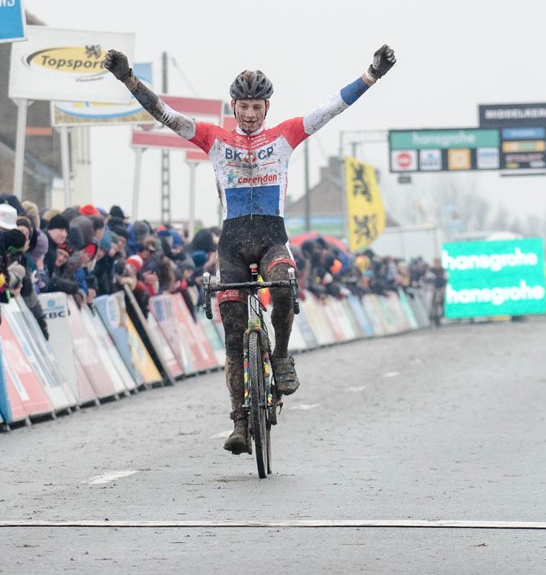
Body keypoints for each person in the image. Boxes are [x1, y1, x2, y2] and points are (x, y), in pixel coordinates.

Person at [103, 43, 396, 455]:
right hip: (233, 245)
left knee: (282, 284)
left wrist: (372, 74)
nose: (250, 113)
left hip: (272, 238)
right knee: (235, 334)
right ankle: (240, 422)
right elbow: (166, 114)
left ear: (266, 107)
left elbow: (333, 107)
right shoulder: (213, 138)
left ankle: (279, 357)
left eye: (257, 106)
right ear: (233, 106)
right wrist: (128, 78)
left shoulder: (285, 136)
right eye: (243, 105)